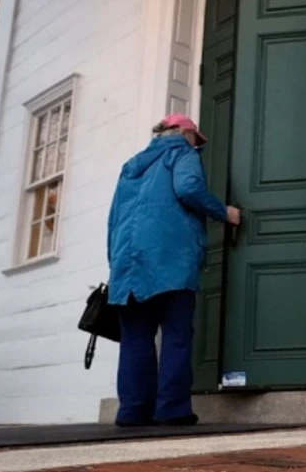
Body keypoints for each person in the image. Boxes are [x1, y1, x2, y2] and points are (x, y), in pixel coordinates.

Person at [106, 113, 240, 427]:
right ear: (180, 131)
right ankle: (172, 410)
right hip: (171, 260)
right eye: (195, 136)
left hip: (128, 265)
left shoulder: (132, 165)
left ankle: (133, 412)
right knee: (177, 336)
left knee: (136, 339)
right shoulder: (182, 153)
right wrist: (225, 212)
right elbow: (188, 188)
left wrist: (117, 265)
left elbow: (114, 219)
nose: (198, 145)